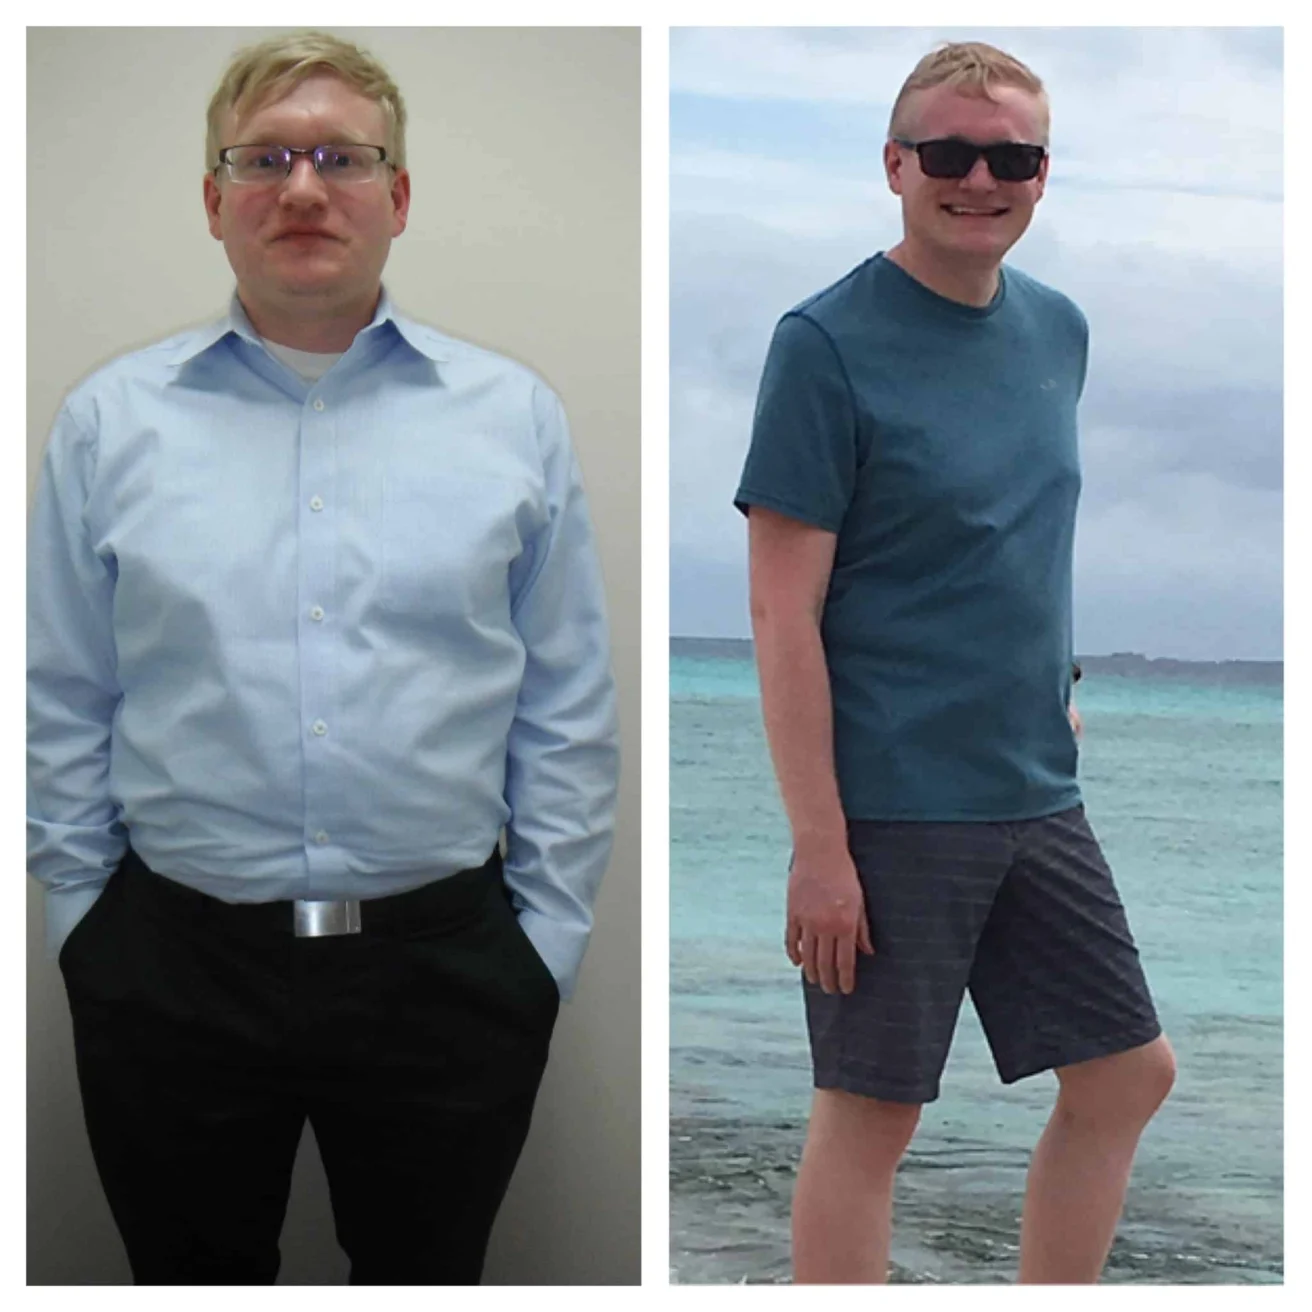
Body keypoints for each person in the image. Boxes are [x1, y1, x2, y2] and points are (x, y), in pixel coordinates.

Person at [27, 30, 619, 1286]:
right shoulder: (106, 426)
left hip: (447, 973)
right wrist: (89, 932)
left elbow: (567, 703)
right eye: (264, 159)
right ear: (214, 200)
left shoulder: (512, 419)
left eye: (342, 158)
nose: (303, 189)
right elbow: (60, 696)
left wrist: (540, 950)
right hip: (171, 969)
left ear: (397, 196)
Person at [734, 41, 1174, 1285]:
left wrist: (1063, 688)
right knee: (874, 1115)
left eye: (1010, 157)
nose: (978, 178)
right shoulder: (822, 343)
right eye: (947, 152)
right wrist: (819, 848)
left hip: (1035, 791)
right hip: (891, 806)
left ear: (1042, 174)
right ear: (895, 164)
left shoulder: (1058, 331)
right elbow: (780, 615)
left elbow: (1017, 533)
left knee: (1128, 1077)